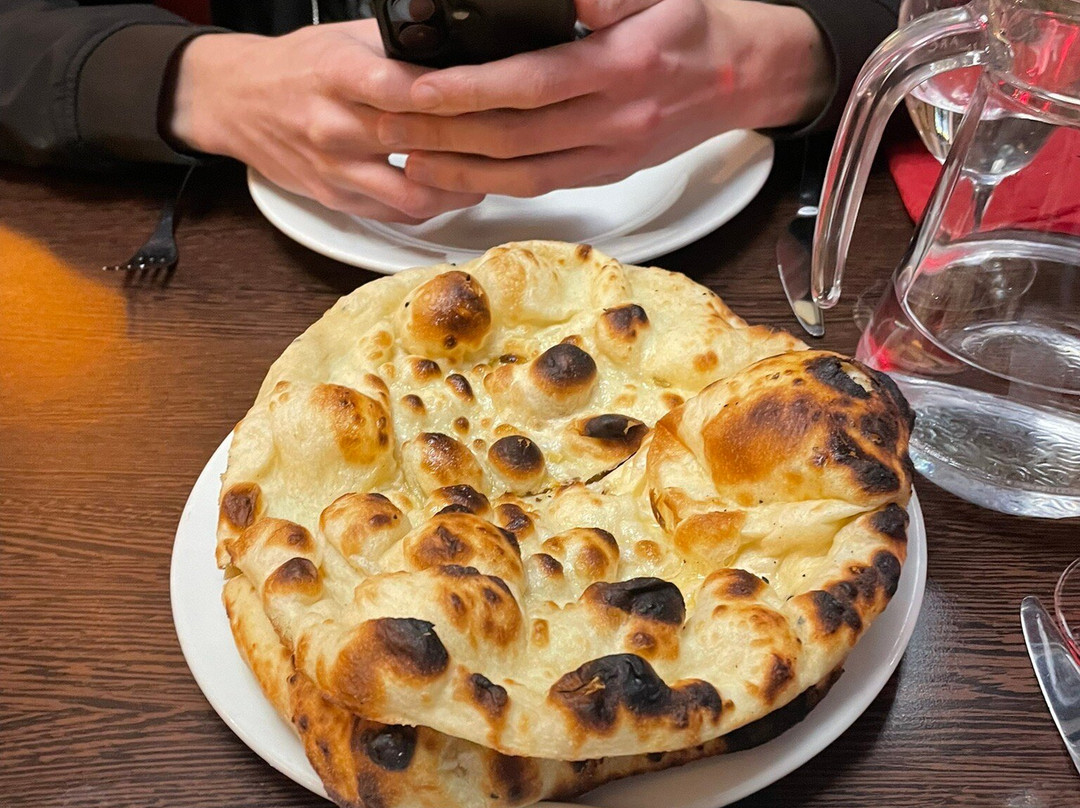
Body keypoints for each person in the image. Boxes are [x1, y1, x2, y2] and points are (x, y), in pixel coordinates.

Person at [0, 0, 899, 222]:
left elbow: (968, 22)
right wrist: (197, 80)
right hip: (256, 243)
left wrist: (777, 58)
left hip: (740, 221)